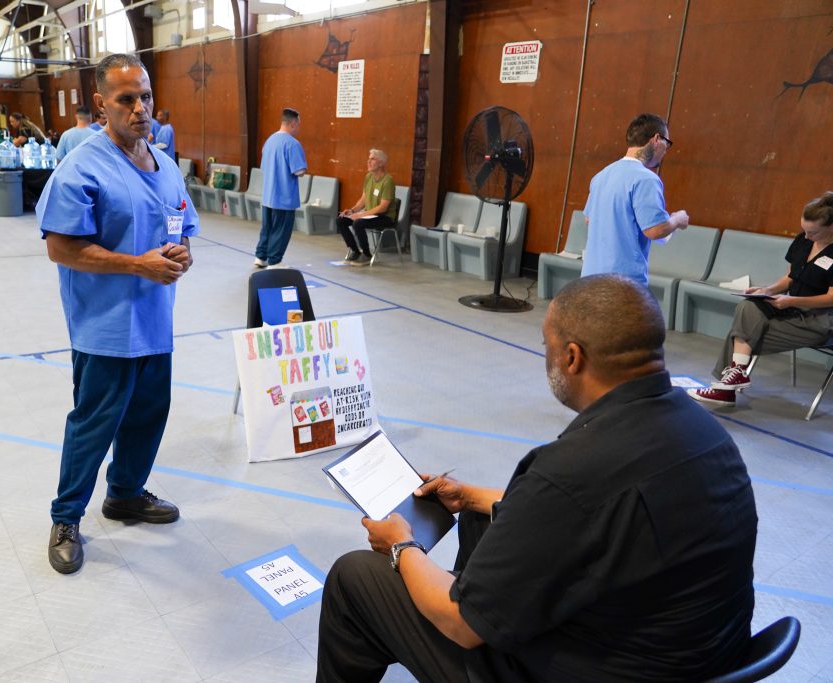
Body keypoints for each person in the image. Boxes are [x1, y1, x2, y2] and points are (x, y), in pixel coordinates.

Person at [317, 273, 757, 683]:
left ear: (571, 357)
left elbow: (464, 625)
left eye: (546, 345)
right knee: (483, 519)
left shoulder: (572, 467)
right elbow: (595, 515)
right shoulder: (705, 433)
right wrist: (469, 497)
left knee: (355, 575)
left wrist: (401, 545)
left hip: (597, 669)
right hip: (693, 656)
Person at [36, 53, 198, 575]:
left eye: (145, 96)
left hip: (155, 321)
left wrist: (181, 254)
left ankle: (125, 494)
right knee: (94, 423)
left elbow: (181, 226)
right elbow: (61, 247)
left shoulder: (166, 165)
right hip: (105, 328)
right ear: (102, 104)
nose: (139, 108)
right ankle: (66, 517)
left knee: (148, 417)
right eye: (126, 99)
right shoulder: (82, 166)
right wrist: (135, 265)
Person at [691, 192, 833, 407]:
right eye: (804, 230)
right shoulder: (803, 241)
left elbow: (831, 298)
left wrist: (790, 301)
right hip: (791, 307)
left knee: (742, 335)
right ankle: (734, 376)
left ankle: (726, 387)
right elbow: (790, 277)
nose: (806, 236)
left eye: (813, 232)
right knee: (749, 305)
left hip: (820, 320)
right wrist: (768, 289)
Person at [581, 113, 689, 285]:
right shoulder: (646, 179)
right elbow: (655, 230)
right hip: (623, 283)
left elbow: (589, 219)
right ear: (656, 139)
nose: (666, 151)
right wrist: (677, 219)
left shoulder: (601, 176)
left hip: (590, 277)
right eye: (667, 143)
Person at [254, 108, 307, 269]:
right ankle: (275, 260)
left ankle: (261, 256)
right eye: (298, 124)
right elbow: (298, 170)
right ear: (293, 123)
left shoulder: (269, 141)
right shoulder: (292, 143)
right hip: (284, 197)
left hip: (268, 194)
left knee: (267, 228)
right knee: (281, 230)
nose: (299, 128)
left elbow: (264, 167)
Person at [337, 148, 396, 265]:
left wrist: (361, 215)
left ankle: (367, 254)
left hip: (384, 217)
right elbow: (363, 199)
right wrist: (352, 210)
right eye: (368, 159)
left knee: (358, 223)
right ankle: (355, 251)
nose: (368, 161)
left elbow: (383, 207)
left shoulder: (388, 181)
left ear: (381, 163)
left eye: (372, 159)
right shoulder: (368, 177)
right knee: (341, 220)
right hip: (369, 215)